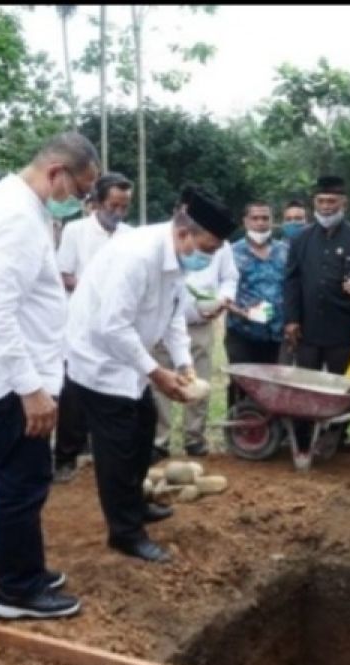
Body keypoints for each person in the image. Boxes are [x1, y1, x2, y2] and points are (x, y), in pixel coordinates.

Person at [0, 132, 100, 620]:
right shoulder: (17, 216)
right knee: (22, 481)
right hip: (13, 380)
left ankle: (21, 567)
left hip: (3, 373)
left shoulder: (11, 200)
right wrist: (31, 389)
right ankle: (17, 590)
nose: (80, 202)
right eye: (81, 191)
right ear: (57, 172)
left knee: (4, 479)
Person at [66, 186, 237, 564]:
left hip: (131, 359)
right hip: (101, 360)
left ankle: (136, 504)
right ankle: (125, 533)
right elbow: (112, 327)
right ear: (183, 232)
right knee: (117, 448)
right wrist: (156, 372)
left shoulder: (175, 257)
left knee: (143, 430)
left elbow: (174, 314)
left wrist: (183, 363)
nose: (208, 258)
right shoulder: (138, 255)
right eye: (207, 249)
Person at [53, 172, 133, 483]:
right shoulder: (76, 231)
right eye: (113, 205)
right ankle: (65, 457)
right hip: (81, 325)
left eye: (124, 207)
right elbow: (63, 273)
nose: (119, 213)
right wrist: (94, 287)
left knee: (113, 390)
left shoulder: (129, 235)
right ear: (97, 203)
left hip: (117, 326)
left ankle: (107, 455)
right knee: (74, 392)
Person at [283, 175, 350, 448]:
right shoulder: (301, 239)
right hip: (308, 328)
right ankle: (302, 437)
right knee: (306, 385)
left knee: (340, 388)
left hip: (344, 329)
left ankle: (336, 436)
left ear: (344, 202)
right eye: (321, 201)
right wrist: (291, 319)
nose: (326, 206)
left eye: (332, 201)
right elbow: (292, 280)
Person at [152, 186, 239, 460]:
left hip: (200, 323)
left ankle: (194, 437)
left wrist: (223, 300)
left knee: (197, 379)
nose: (208, 254)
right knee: (161, 381)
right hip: (161, 326)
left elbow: (230, 278)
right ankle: (159, 439)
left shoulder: (219, 245)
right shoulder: (158, 243)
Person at [225, 201, 289, 408]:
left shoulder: (284, 251)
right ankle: (239, 428)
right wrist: (243, 312)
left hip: (275, 333)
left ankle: (269, 430)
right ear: (245, 221)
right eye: (255, 218)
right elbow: (220, 291)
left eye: (265, 218)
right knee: (242, 383)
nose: (260, 223)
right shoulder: (230, 252)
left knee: (272, 384)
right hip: (242, 331)